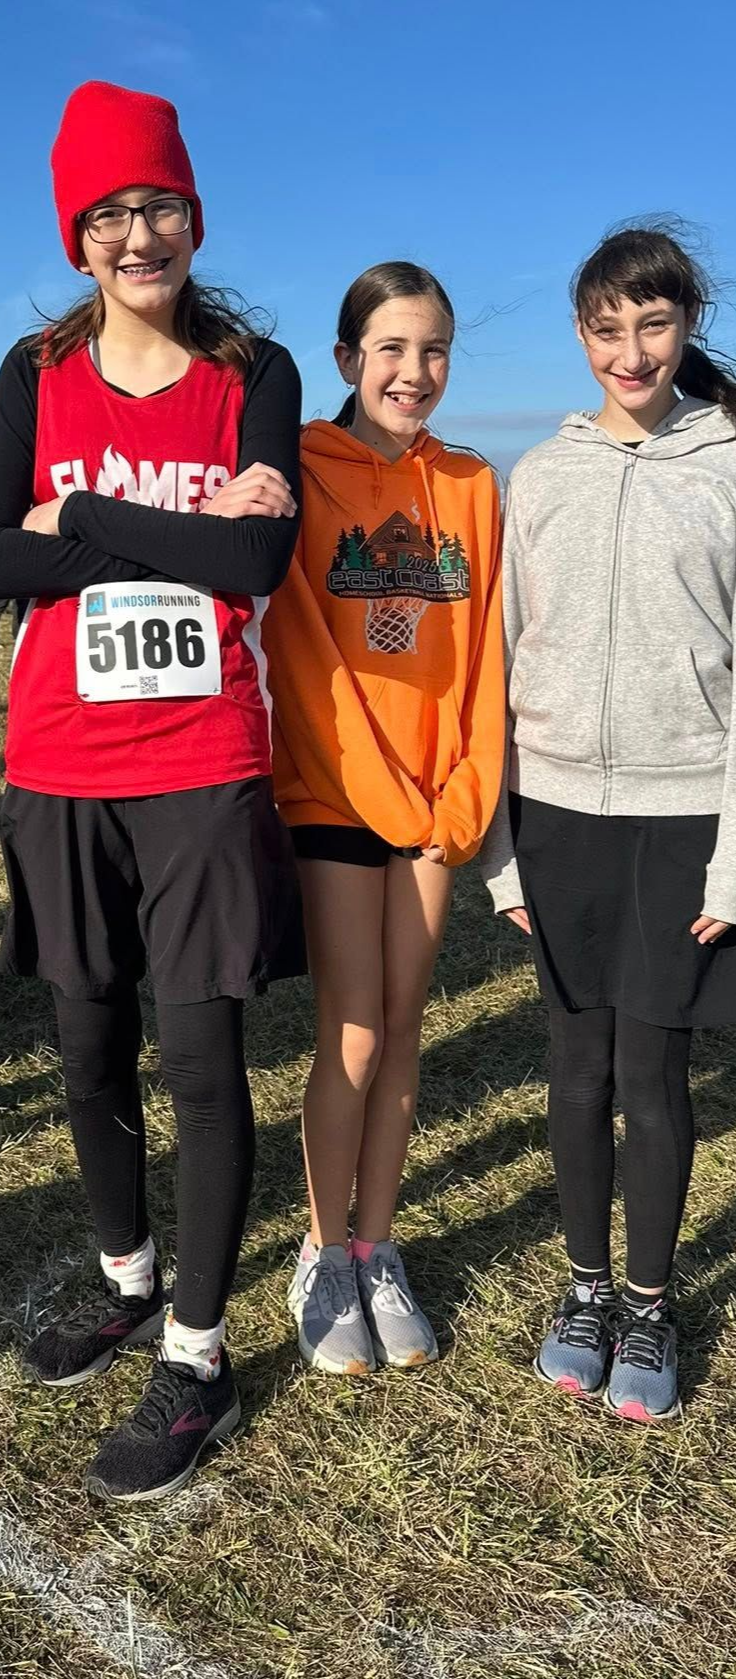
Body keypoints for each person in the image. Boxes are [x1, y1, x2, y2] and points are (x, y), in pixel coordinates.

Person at [0, 79, 301, 1502]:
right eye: (103, 214)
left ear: (188, 211)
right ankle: (123, 1277)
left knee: (200, 1061)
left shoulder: (255, 371)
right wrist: (171, 530)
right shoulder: (35, 374)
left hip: (202, 768)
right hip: (55, 763)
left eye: (153, 203)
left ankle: (199, 1354)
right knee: (85, 1045)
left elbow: (250, 568)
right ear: (76, 236)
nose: (133, 233)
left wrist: (86, 518)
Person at [480, 221, 736, 1423]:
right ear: (579, 334)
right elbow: (502, 660)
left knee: (653, 1073)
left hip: (686, 814)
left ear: (687, 324)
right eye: (606, 327)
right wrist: (499, 849)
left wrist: (735, 858)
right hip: (558, 812)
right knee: (575, 1066)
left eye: (654, 322)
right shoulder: (543, 474)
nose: (631, 351)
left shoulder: (729, 461)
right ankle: (583, 1289)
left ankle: (647, 1299)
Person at [263, 262, 505, 1374]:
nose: (415, 372)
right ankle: (319, 1249)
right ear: (348, 357)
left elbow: (487, 651)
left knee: (406, 1028)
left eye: (436, 349)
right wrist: (385, 789)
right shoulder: (303, 471)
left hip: (436, 801)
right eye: (393, 349)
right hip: (334, 792)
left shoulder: (470, 483)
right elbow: (301, 648)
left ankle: (374, 1243)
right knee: (352, 1030)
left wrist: (465, 789)